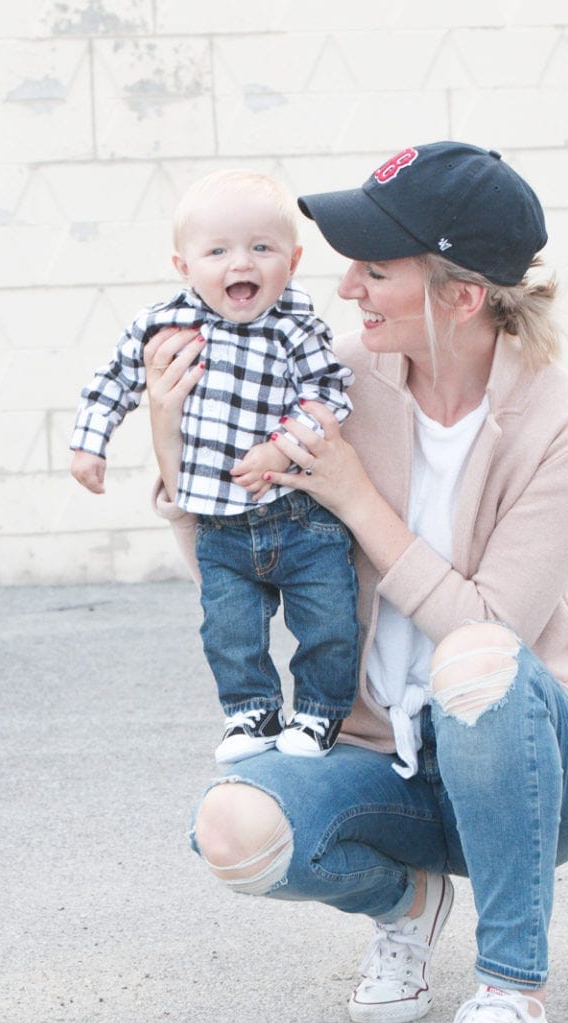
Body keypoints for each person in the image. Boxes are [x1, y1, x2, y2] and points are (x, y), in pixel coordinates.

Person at [146, 142, 568, 1023]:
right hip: (384, 756)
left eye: (376, 270)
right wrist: (170, 440)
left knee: (474, 661)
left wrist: (353, 495)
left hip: (542, 765)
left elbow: (495, 628)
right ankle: (409, 901)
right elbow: (239, 565)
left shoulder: (567, 423)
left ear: (461, 296)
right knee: (235, 828)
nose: (346, 288)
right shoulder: (331, 377)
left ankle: (513, 996)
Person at [70, 170, 358, 762]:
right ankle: (250, 712)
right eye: (218, 250)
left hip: (300, 516)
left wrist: (282, 446)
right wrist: (89, 443)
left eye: (261, 247)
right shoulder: (165, 324)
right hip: (220, 527)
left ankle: (319, 713)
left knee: (328, 622)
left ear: (293, 260)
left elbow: (331, 394)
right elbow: (114, 381)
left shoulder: (296, 327)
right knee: (229, 632)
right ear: (184, 267)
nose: (240, 263)